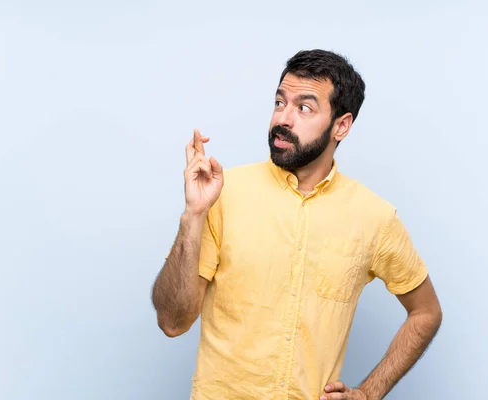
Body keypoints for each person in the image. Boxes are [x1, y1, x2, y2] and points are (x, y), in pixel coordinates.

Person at [151, 49, 443, 400]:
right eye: (279, 102)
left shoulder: (374, 217)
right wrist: (193, 214)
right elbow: (172, 322)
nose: (283, 119)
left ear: (342, 125)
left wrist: (368, 393)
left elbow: (426, 312)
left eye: (304, 107)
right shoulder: (223, 194)